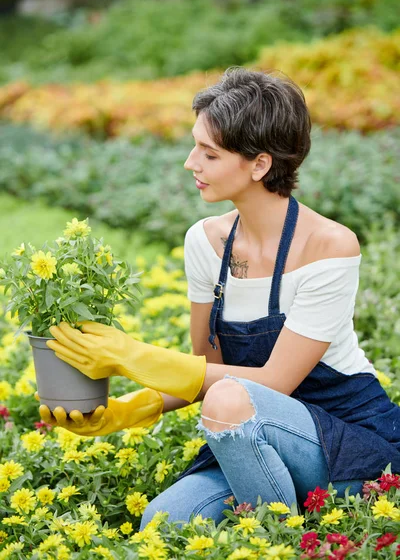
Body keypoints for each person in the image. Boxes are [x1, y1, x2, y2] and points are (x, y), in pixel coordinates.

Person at [39, 67, 400, 530]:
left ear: (260, 164)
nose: (191, 163)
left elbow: (272, 382)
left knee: (231, 399)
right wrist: (128, 410)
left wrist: (132, 356)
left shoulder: (329, 246)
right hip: (241, 433)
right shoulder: (206, 242)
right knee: (165, 521)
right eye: (195, 147)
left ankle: (280, 537)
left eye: (209, 153)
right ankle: (288, 508)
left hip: (347, 442)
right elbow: (203, 370)